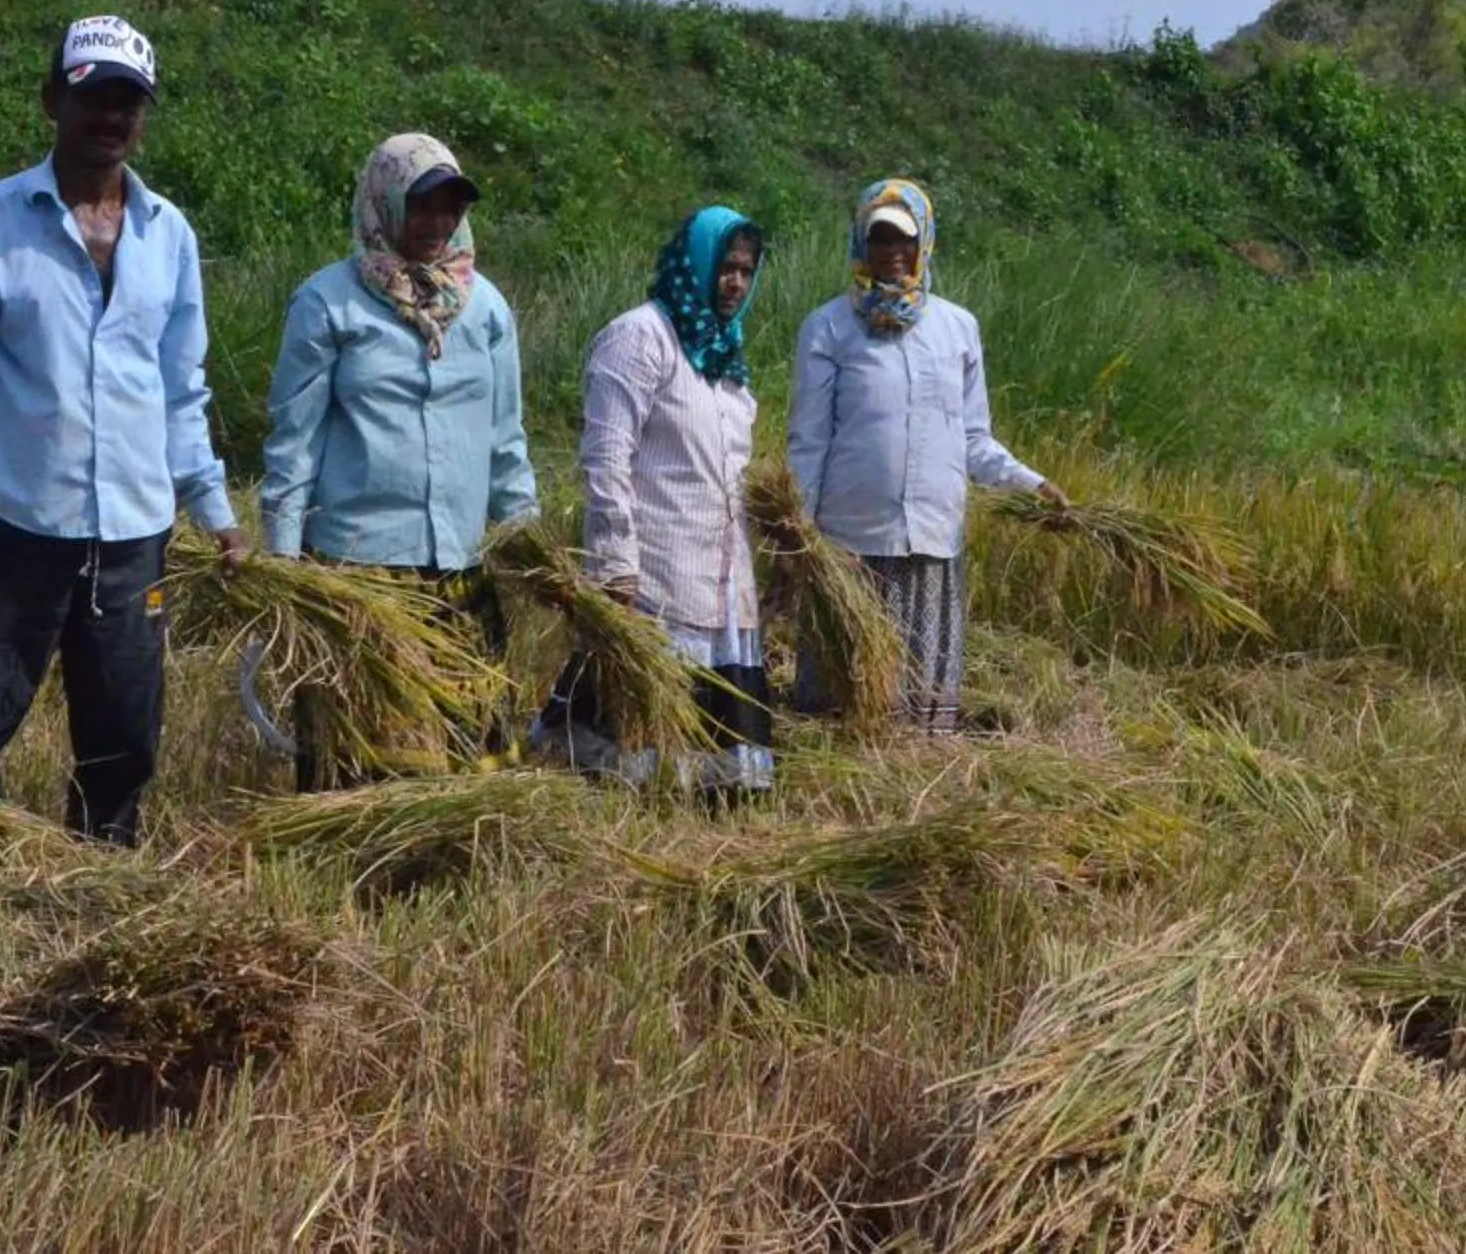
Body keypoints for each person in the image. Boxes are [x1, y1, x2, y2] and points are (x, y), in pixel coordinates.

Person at [0, 15, 249, 844]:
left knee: (124, 740)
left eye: (130, 102)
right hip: (17, 525)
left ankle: (101, 886)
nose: (112, 119)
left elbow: (179, 387)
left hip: (134, 534)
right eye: (95, 98)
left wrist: (216, 509)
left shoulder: (170, 235)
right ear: (54, 99)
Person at [260, 132, 539, 787]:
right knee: (373, 769)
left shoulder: (486, 308)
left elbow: (506, 439)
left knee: (466, 768)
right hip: (363, 574)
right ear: (383, 204)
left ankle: (454, 879)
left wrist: (527, 537)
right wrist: (282, 561)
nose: (438, 223)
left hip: (458, 570)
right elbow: (293, 442)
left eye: (451, 207)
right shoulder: (328, 302)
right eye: (421, 206)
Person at [787, 177, 1065, 734]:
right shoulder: (829, 328)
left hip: (932, 538)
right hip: (852, 544)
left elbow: (973, 439)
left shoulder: (957, 329)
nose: (893, 253)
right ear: (860, 246)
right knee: (842, 706)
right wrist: (799, 533)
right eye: (881, 239)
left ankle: (913, 785)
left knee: (919, 710)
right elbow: (809, 441)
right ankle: (833, 797)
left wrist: (1029, 484)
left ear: (925, 244)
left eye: (904, 240)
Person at [537, 207, 774, 796]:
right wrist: (614, 564)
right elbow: (606, 459)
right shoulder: (639, 338)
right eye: (724, 268)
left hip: (717, 581)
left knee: (718, 782)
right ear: (693, 264)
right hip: (656, 577)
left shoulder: (725, 361)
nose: (735, 283)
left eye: (746, 271)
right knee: (630, 762)